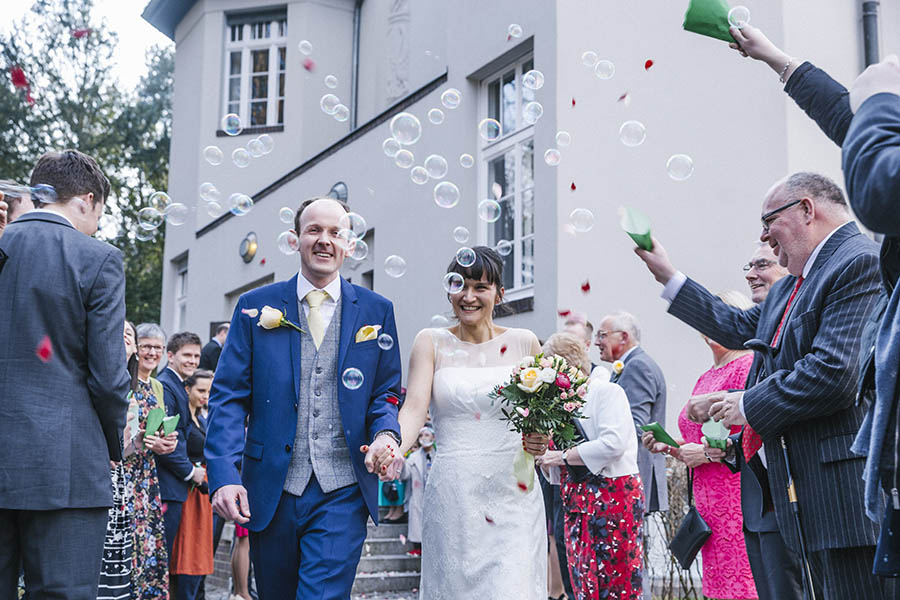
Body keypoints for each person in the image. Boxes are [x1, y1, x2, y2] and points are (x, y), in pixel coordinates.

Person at [634, 170, 891, 598]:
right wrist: (668, 275)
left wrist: (745, 404)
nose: (764, 237)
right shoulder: (791, 285)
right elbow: (734, 327)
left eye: (769, 223)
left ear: (806, 210)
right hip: (802, 496)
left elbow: (834, 373)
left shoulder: (856, 261)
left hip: (844, 493)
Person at [205, 197, 403, 600]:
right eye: (314, 230)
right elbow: (227, 398)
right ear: (296, 239)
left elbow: (385, 392)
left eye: (336, 233)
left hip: (342, 488)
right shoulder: (254, 307)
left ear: (349, 244)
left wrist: (386, 434)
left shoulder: (377, 310)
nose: (325, 240)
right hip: (271, 488)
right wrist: (224, 475)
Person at [0, 149, 131, 598]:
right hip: (67, 465)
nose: (97, 225)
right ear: (87, 200)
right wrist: (113, 443)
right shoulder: (98, 259)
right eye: (100, 214)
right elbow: (109, 378)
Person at [394, 246, 549, 599]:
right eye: (459, 285)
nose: (468, 296)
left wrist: (541, 437)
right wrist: (393, 447)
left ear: (499, 293)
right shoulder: (429, 342)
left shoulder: (525, 343)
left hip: (514, 492)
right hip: (454, 493)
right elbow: (415, 410)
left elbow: (540, 418)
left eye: (480, 287)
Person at [643, 291, 758, 600]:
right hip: (708, 501)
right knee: (719, 586)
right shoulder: (708, 375)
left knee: (742, 585)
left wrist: (706, 454)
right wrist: (668, 445)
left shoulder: (746, 366)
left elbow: (750, 434)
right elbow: (699, 436)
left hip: (735, 495)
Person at [843, 53, 900, 571]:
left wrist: (883, 96)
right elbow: (860, 130)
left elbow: (881, 188)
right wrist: (781, 63)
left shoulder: (847, 262)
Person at [538, 332, 643, 600]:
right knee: (583, 580)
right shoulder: (564, 403)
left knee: (614, 580)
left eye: (550, 369)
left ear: (568, 366)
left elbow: (613, 443)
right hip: (576, 500)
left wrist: (561, 456)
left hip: (611, 498)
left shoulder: (607, 391)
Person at [594, 311, 665, 600]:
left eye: (602, 335)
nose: (596, 342)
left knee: (631, 563)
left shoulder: (637, 368)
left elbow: (633, 426)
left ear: (623, 338)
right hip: (627, 476)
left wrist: (594, 438)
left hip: (630, 477)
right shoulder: (626, 366)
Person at [124, 323, 179, 598]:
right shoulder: (124, 381)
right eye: (146, 345)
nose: (151, 352)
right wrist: (143, 440)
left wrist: (167, 442)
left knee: (148, 541)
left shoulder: (156, 386)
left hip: (148, 476)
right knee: (129, 542)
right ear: (135, 348)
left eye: (157, 347)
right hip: (127, 474)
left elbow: (160, 429)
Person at [155, 331, 206, 596]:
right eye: (187, 355)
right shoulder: (166, 385)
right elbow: (167, 441)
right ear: (171, 355)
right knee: (161, 559)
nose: (193, 361)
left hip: (175, 487)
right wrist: (191, 472)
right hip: (167, 486)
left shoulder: (177, 384)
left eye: (196, 355)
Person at [98, 321, 141, 600]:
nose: (125, 335)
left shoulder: (132, 391)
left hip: (118, 484)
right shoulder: (98, 380)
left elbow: (126, 450)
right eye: (119, 330)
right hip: (95, 475)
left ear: (134, 347)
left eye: (130, 334)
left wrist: (141, 441)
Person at [170, 370, 215, 600]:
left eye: (208, 391)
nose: (205, 396)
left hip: (204, 493)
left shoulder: (203, 418)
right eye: (201, 391)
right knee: (188, 555)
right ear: (187, 390)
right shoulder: (183, 421)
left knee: (200, 556)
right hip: (189, 490)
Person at [401, 425, 435, 557]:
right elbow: (404, 475)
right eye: (421, 435)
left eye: (426, 435)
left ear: (433, 437)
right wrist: (402, 462)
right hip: (418, 494)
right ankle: (418, 547)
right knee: (417, 519)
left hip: (434, 495)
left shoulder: (439, 455)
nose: (423, 438)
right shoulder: (413, 457)